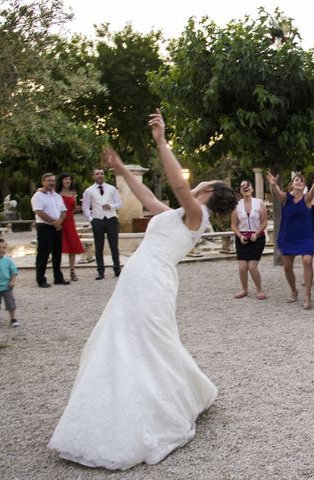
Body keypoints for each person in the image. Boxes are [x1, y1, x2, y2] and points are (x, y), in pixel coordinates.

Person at [48, 110, 237, 470]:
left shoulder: (197, 213)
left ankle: (148, 412)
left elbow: (180, 186)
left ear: (208, 191)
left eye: (202, 182)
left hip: (152, 281)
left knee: (146, 342)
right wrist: (120, 170)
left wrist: (162, 141)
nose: (192, 183)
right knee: (127, 338)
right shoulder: (182, 215)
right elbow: (150, 199)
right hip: (139, 278)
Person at [266, 170, 314, 310]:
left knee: (307, 261)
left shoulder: (307, 199)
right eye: (296, 180)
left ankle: (307, 295)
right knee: (287, 267)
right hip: (289, 236)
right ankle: (294, 290)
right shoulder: (286, 198)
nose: (298, 182)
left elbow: (311, 192)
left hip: (305, 236)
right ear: (292, 184)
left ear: (304, 184)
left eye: (301, 180)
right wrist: (273, 185)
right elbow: (277, 192)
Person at [82, 168, 123, 280]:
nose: (99, 175)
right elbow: (85, 207)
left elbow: (119, 203)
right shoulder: (89, 190)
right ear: (93, 176)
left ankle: (117, 270)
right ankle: (100, 271)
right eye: (97, 174)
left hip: (111, 219)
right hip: (98, 220)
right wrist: (91, 219)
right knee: (99, 247)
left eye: (101, 173)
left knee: (114, 246)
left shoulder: (111, 188)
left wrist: (112, 206)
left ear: (104, 175)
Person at [230, 180, 268, 300]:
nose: (245, 188)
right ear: (240, 190)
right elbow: (233, 225)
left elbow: (264, 222)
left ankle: (259, 290)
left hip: (257, 238)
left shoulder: (259, 203)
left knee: (252, 266)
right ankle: (244, 289)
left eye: (248, 186)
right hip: (242, 237)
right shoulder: (236, 205)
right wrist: (240, 236)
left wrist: (256, 234)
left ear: (252, 189)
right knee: (242, 267)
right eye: (243, 186)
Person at [31, 173, 69, 287]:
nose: (51, 183)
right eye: (48, 180)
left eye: (53, 180)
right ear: (43, 182)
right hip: (45, 227)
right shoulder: (38, 196)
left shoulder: (57, 196)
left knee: (57, 253)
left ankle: (58, 277)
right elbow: (39, 211)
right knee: (43, 254)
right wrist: (54, 222)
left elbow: (64, 211)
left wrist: (59, 221)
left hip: (57, 227)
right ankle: (41, 279)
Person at [56, 174, 84, 281]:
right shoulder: (57, 193)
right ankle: (57, 270)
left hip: (70, 221)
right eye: (65, 179)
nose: (68, 181)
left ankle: (72, 271)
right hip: (60, 220)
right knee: (59, 246)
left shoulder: (73, 193)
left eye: (69, 179)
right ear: (61, 181)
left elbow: (73, 209)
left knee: (72, 246)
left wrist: (79, 208)